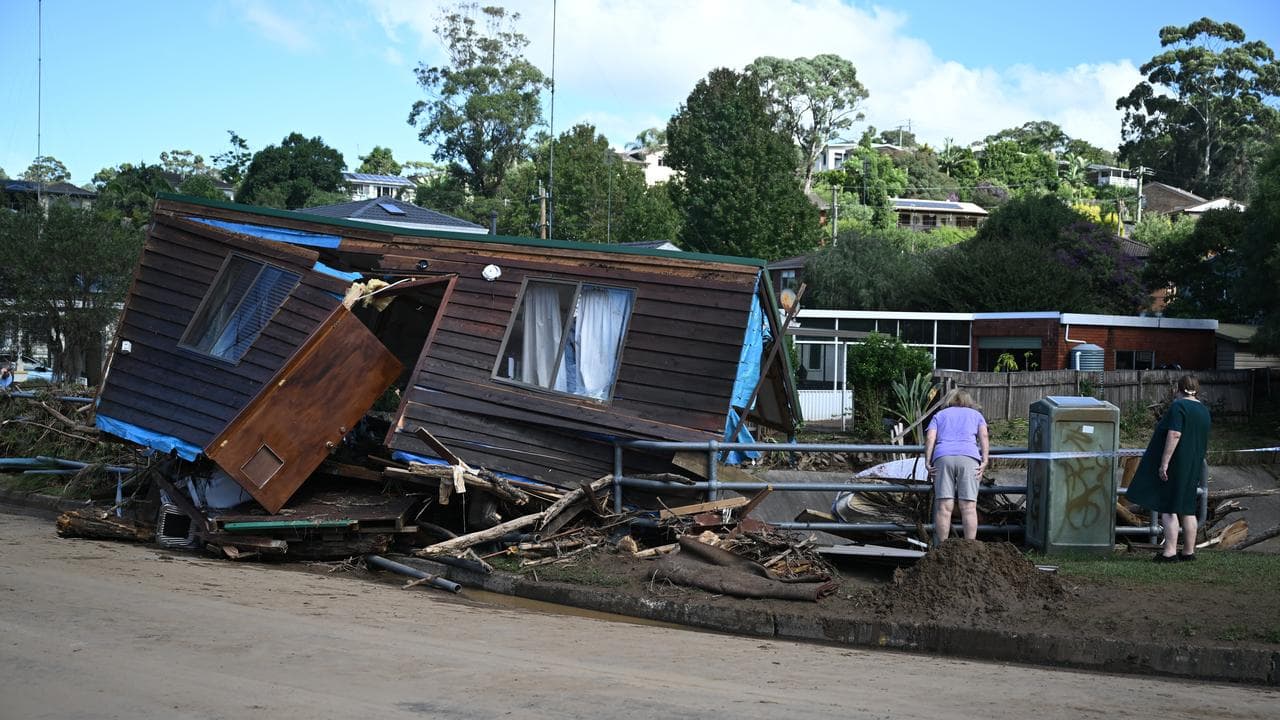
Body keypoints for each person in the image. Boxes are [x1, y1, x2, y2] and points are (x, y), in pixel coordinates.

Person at [1126, 375, 1212, 562]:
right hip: (1193, 464)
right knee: (1188, 508)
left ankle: (1170, 552)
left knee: (1169, 507)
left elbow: (1174, 434)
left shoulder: (1178, 407)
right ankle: (1189, 552)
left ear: (1178, 389)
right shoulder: (1204, 411)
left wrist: (1164, 462)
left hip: (1176, 464)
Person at [924, 390, 989, 543]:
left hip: (943, 457)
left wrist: (928, 461)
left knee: (944, 507)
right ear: (968, 400)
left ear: (949, 400)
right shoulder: (976, 415)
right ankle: (969, 546)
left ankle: (942, 547)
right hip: (969, 458)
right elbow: (984, 436)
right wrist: (984, 460)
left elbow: (930, 437)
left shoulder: (939, 415)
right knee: (968, 507)